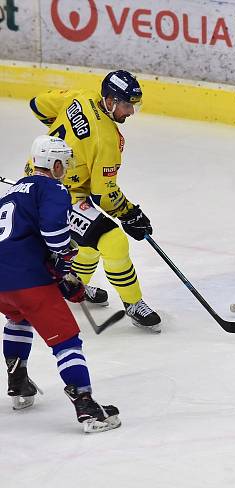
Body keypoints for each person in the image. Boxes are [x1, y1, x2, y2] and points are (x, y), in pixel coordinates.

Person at [0, 135, 121, 433]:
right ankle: (86, 406)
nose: (65, 169)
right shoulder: (52, 188)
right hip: (27, 279)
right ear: (54, 164)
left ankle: (18, 381)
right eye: (64, 164)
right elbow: (54, 235)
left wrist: (57, 270)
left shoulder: (11, 193)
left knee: (18, 317)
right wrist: (65, 261)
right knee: (66, 341)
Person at [29, 70, 161, 332]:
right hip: (57, 196)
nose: (131, 112)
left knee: (88, 239)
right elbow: (104, 193)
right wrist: (130, 214)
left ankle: (73, 283)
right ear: (110, 101)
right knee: (113, 239)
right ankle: (133, 303)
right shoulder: (107, 139)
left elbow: (38, 105)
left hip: (38, 178)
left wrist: (63, 144)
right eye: (126, 105)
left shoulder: (81, 96)